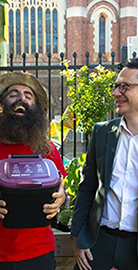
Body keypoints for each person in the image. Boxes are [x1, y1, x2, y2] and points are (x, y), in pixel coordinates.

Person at [0, 71, 67, 270]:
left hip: (39, 255)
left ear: (35, 107)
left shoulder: (47, 149)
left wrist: (61, 200)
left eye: (28, 95)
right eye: (13, 94)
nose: (21, 98)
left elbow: (62, 191)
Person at [71, 58, 138, 270]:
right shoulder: (102, 132)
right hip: (98, 242)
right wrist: (78, 237)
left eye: (124, 87)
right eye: (116, 86)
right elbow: (87, 187)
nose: (116, 93)